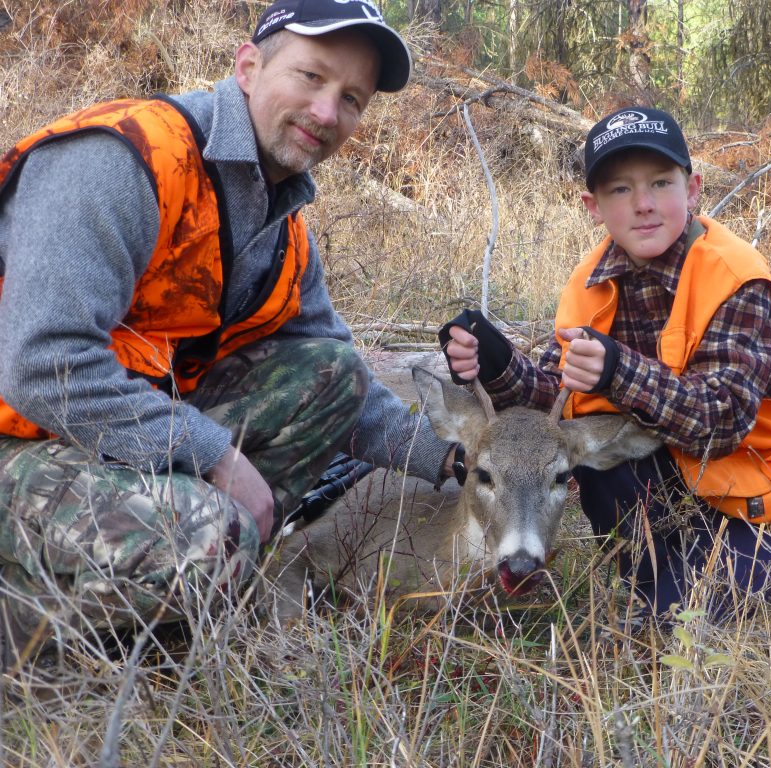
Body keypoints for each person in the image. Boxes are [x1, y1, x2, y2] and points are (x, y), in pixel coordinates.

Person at [0, 0, 458, 674]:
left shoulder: (281, 220)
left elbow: (346, 384)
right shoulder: (123, 160)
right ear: (248, 66)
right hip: (20, 436)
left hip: (107, 438)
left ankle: (177, 587)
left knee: (329, 371)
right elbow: (40, 366)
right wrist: (213, 455)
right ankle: (33, 629)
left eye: (351, 98)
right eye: (310, 76)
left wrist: (455, 460)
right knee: (214, 539)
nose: (327, 113)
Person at [440, 107, 771, 622]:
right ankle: (659, 582)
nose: (643, 205)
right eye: (620, 190)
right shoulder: (590, 282)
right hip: (676, 486)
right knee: (600, 463)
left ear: (694, 188)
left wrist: (618, 371)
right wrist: (498, 365)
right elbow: (557, 406)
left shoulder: (737, 280)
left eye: (661, 183)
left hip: (768, 496)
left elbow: (720, 422)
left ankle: (751, 573)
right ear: (593, 206)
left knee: (686, 623)